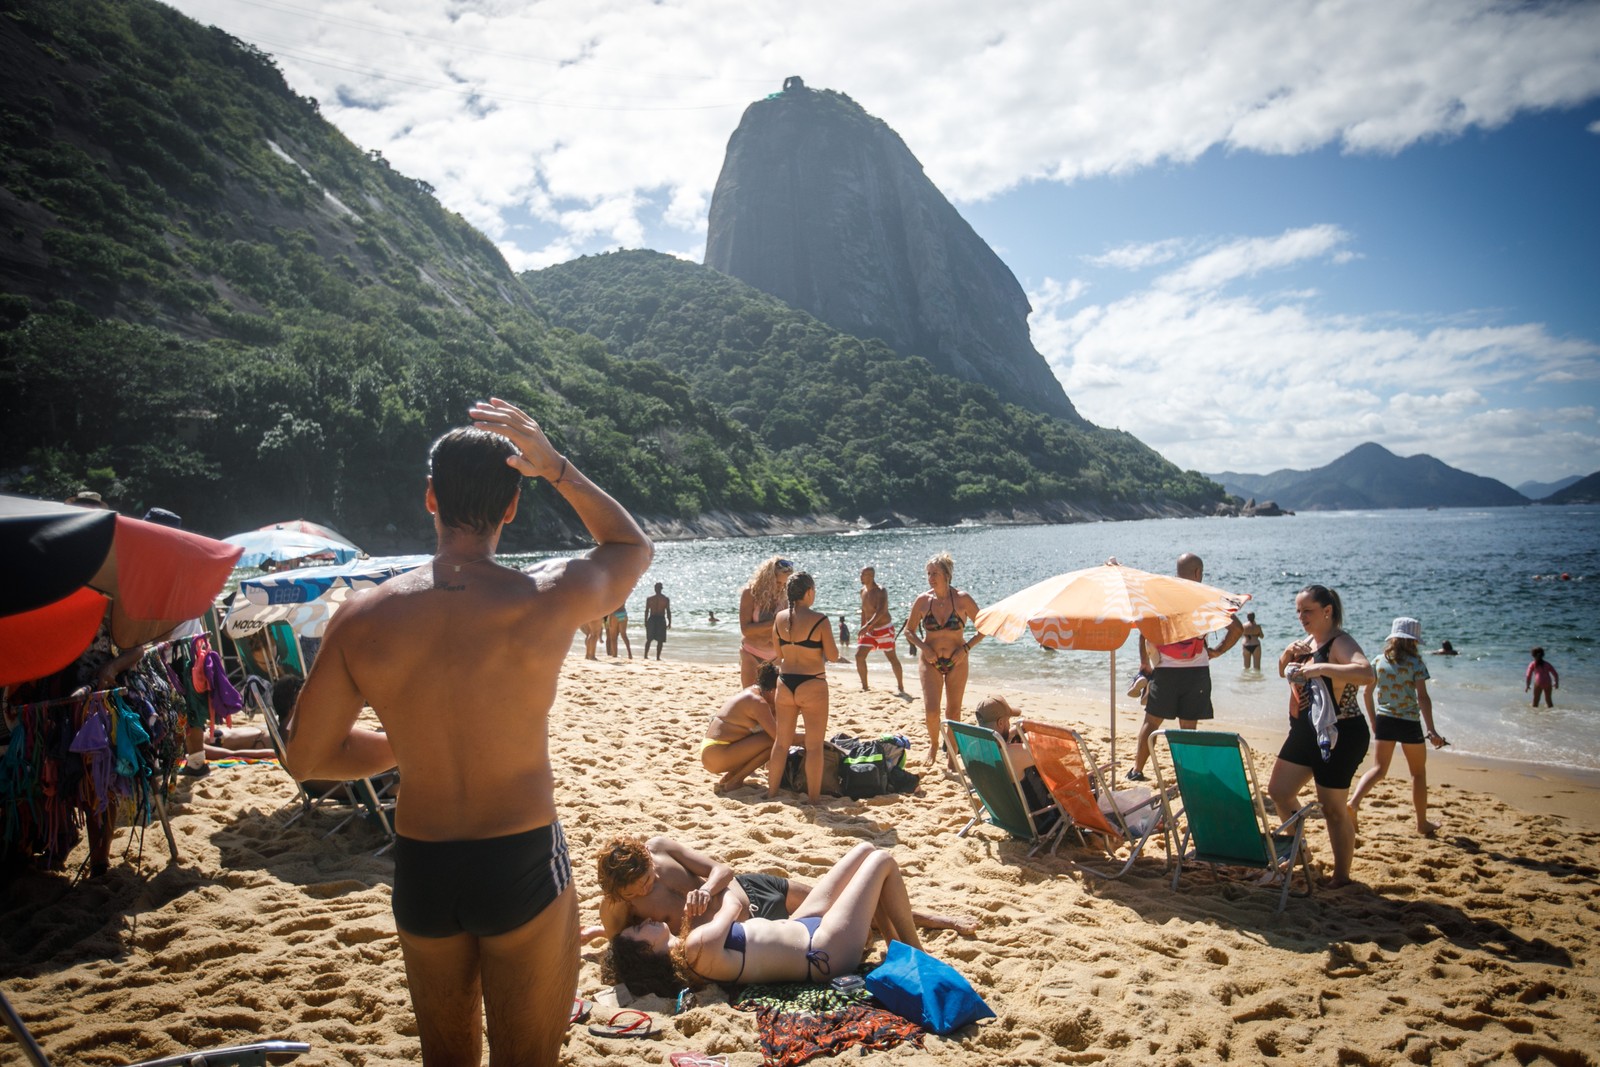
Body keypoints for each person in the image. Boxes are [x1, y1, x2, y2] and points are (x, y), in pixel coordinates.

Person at [284, 398, 652, 1066]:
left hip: (423, 864)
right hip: (518, 859)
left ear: (430, 498)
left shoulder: (362, 617)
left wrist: (408, 740)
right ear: (512, 506)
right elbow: (631, 546)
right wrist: (558, 468)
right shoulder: (546, 595)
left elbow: (307, 757)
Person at [606, 844, 928, 996]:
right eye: (637, 930)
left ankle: (899, 948)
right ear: (646, 951)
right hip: (823, 948)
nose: (641, 922)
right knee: (881, 860)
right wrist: (715, 896)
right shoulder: (697, 945)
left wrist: (707, 895)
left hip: (800, 926)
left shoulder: (691, 949)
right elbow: (732, 902)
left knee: (864, 851)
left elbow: (727, 883)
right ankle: (915, 959)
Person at [586, 834, 973, 945]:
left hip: (747, 888)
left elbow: (722, 867)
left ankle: (929, 918)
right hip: (744, 929)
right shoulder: (618, 908)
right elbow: (632, 944)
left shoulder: (661, 849)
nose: (650, 884)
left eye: (650, 875)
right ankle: (905, 932)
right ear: (623, 894)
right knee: (844, 915)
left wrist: (708, 889)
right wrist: (596, 933)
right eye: (642, 888)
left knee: (843, 896)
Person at [1268, 584, 1373, 889]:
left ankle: (1341, 877)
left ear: (1327, 611)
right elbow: (1280, 670)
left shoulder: (1340, 642)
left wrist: (1320, 668)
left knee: (1332, 809)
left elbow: (1366, 673)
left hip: (1340, 733)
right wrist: (1288, 652)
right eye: (1298, 611)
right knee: (1279, 791)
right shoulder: (1308, 642)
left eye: (1307, 611)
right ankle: (1299, 851)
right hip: (1304, 731)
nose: (1301, 616)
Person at [1127, 553, 1245, 781]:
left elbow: (1144, 631)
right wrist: (1217, 651)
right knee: (1188, 728)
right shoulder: (1207, 598)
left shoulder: (1162, 598)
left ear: (1176, 571)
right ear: (1198, 573)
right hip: (1196, 672)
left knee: (1151, 723)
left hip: (1166, 671)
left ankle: (1137, 770)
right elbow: (1237, 629)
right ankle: (1188, 776)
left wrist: (1145, 664)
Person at [1349, 617, 1448, 837]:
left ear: (1393, 638)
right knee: (1418, 774)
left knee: (1378, 770)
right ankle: (1422, 823)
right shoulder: (1416, 664)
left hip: (1385, 720)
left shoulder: (1378, 661)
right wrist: (1431, 730)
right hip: (1409, 722)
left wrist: (1373, 720)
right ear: (1413, 641)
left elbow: (1366, 692)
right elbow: (1422, 698)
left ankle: (1353, 803)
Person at [766, 571, 841, 802]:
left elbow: (778, 655)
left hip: (786, 683)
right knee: (814, 745)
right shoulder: (820, 620)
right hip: (812, 683)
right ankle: (814, 799)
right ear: (809, 592)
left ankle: (771, 794)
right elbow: (833, 655)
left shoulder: (779, 618)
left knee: (781, 743)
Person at [905, 552, 982, 767]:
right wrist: (924, 648)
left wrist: (965, 648)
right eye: (928, 573)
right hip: (930, 662)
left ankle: (951, 753)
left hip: (957, 660)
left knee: (953, 710)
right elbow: (909, 631)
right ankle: (933, 743)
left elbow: (985, 627)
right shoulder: (923, 601)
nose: (931, 577)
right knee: (932, 711)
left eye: (935, 573)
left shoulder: (962, 599)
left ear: (947, 574)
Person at [701, 663, 784, 793]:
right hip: (716, 753)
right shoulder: (758, 702)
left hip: (714, 751)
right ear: (772, 690)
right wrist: (811, 740)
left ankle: (730, 777)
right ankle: (736, 781)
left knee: (769, 740)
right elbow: (780, 737)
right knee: (772, 740)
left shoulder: (756, 693)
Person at [738, 556, 793, 686]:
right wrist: (773, 622)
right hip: (752, 653)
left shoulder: (785, 598)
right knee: (751, 697)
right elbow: (745, 630)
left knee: (773, 702)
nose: (781, 587)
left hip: (777, 656)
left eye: (785, 584)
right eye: (778, 583)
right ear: (768, 579)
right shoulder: (750, 594)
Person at [854, 566, 906, 694]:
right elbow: (864, 610)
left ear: (871, 576)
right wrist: (863, 627)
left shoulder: (881, 591)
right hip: (869, 630)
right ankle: (865, 687)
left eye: (864, 575)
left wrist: (868, 625)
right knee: (859, 656)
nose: (861, 577)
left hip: (884, 628)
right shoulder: (863, 591)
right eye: (861, 574)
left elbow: (881, 611)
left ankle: (900, 687)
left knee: (892, 658)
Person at [643, 582, 672, 660]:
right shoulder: (665, 599)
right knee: (657, 640)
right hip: (659, 619)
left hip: (654, 619)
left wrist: (645, 621)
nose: (657, 589)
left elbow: (646, 611)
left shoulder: (650, 599)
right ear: (661, 588)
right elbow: (668, 611)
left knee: (652, 639)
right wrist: (669, 622)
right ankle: (655, 657)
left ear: (655, 589)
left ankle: (648, 656)